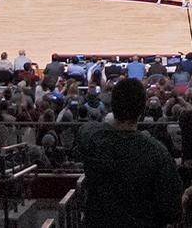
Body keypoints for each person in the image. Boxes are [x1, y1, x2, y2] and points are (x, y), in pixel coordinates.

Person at [77, 78, 181, 228]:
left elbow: (87, 129)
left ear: (112, 106)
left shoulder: (91, 137)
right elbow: (173, 211)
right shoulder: (157, 153)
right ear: (142, 109)